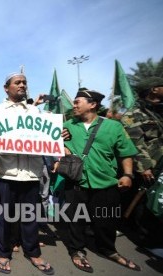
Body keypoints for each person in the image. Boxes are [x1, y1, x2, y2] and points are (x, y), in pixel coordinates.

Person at [60, 88, 140, 272]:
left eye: (77, 101)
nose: (74, 104)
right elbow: (58, 147)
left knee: (106, 221)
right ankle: (77, 251)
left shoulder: (114, 127)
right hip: (76, 183)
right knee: (76, 221)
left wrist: (127, 175)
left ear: (93, 104)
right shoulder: (68, 126)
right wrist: (62, 146)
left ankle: (108, 250)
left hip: (105, 184)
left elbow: (125, 153)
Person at [0, 72, 54, 275]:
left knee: (30, 216)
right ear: (6, 88)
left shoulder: (35, 111)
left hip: (31, 173)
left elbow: (47, 136)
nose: (22, 85)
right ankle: (3, 253)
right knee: (4, 217)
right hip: (5, 172)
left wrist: (59, 137)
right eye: (18, 82)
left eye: (25, 82)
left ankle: (33, 252)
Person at [120, 77, 163, 246]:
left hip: (160, 166)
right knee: (145, 205)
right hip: (148, 168)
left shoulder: (158, 112)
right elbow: (134, 142)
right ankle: (147, 241)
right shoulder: (133, 114)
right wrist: (144, 167)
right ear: (153, 89)